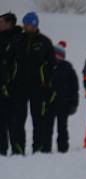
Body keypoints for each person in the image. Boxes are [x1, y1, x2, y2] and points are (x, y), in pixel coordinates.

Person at [6, 11, 54, 154]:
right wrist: (8, 81)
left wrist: (48, 84)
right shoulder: (17, 40)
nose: (27, 27)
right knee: (18, 119)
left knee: (38, 119)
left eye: (30, 24)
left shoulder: (44, 42)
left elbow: (51, 65)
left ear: (35, 25)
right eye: (25, 24)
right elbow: (8, 62)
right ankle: (18, 148)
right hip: (18, 86)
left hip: (38, 87)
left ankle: (38, 147)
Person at [44, 40, 78, 153]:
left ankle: (63, 148)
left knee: (62, 127)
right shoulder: (47, 67)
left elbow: (74, 88)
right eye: (54, 55)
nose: (56, 57)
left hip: (64, 103)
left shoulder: (68, 69)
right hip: (50, 102)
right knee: (47, 127)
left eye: (59, 55)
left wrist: (74, 103)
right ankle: (46, 147)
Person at [0, 12, 22, 156]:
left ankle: (17, 149)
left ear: (10, 23)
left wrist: (9, 81)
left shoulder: (18, 38)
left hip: (15, 86)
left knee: (15, 120)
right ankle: (1, 149)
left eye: (2, 21)